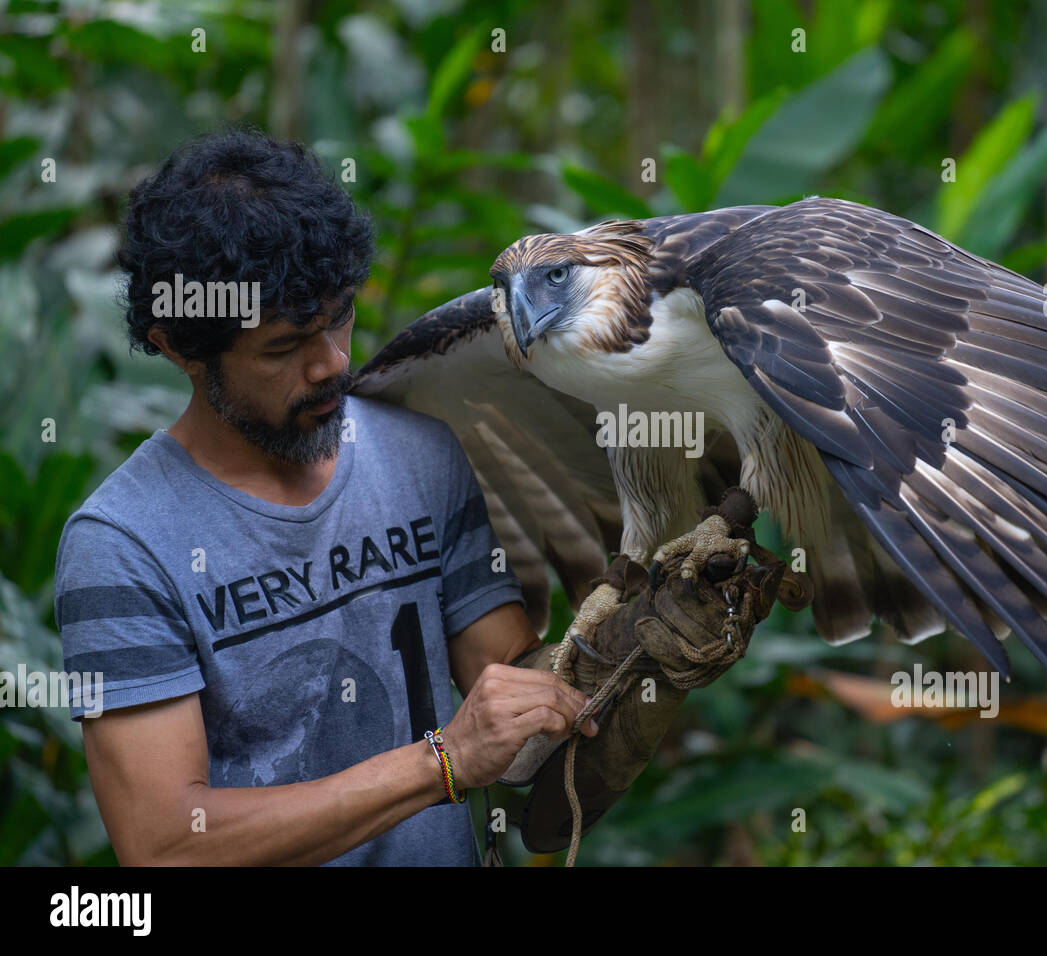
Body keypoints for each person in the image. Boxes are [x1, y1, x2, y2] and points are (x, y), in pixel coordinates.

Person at [53, 128, 752, 866]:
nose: (331, 363)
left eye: (341, 316)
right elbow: (163, 843)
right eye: (285, 347)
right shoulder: (122, 543)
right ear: (178, 345)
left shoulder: (417, 454)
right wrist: (441, 762)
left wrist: (641, 646)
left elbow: (507, 679)